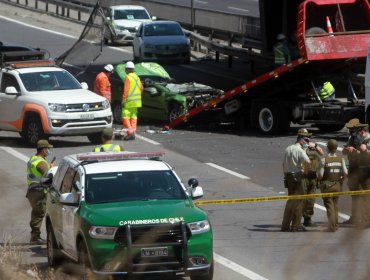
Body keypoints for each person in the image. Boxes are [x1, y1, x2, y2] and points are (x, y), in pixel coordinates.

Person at [26, 139, 55, 244]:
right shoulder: (41, 162)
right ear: (43, 149)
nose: (48, 150)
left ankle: (35, 236)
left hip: (32, 191)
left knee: (36, 213)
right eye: (47, 148)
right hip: (38, 192)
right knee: (39, 213)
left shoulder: (33, 159)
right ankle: (35, 238)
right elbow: (49, 176)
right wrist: (51, 169)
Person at [281, 133, 311, 232]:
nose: (307, 143)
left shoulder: (288, 148)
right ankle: (295, 226)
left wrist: (286, 176)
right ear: (301, 140)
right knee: (299, 202)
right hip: (297, 177)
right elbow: (308, 162)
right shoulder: (300, 150)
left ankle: (285, 226)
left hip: (289, 176)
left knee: (290, 201)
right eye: (306, 141)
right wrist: (305, 172)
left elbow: (284, 164)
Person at [318, 139, 347, 232]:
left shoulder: (324, 160)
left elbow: (321, 175)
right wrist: (342, 179)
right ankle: (336, 223)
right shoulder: (341, 159)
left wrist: (318, 180)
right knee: (335, 205)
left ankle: (331, 226)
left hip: (327, 186)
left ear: (328, 148)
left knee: (329, 205)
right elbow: (346, 172)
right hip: (338, 184)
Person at [297, 129, 324, 227]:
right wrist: (304, 148)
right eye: (306, 137)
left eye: (309, 137)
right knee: (301, 198)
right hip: (303, 176)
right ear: (300, 138)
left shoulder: (312, 146)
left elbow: (321, 153)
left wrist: (315, 146)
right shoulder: (297, 147)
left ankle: (307, 219)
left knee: (311, 198)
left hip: (313, 176)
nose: (308, 139)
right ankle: (296, 221)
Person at [342, 118, 365, 226]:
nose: (351, 132)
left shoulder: (366, 139)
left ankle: (365, 219)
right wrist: (347, 150)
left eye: (352, 130)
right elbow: (343, 151)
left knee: (364, 195)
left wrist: (356, 151)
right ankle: (355, 217)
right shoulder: (352, 138)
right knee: (354, 195)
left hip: (363, 170)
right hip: (353, 169)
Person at [121, 61, 143, 141]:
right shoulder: (137, 77)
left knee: (125, 117)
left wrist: (123, 100)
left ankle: (130, 133)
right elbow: (141, 89)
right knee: (133, 117)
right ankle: (133, 132)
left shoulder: (128, 77)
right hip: (136, 102)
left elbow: (126, 90)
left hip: (129, 102)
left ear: (127, 69)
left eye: (125, 69)